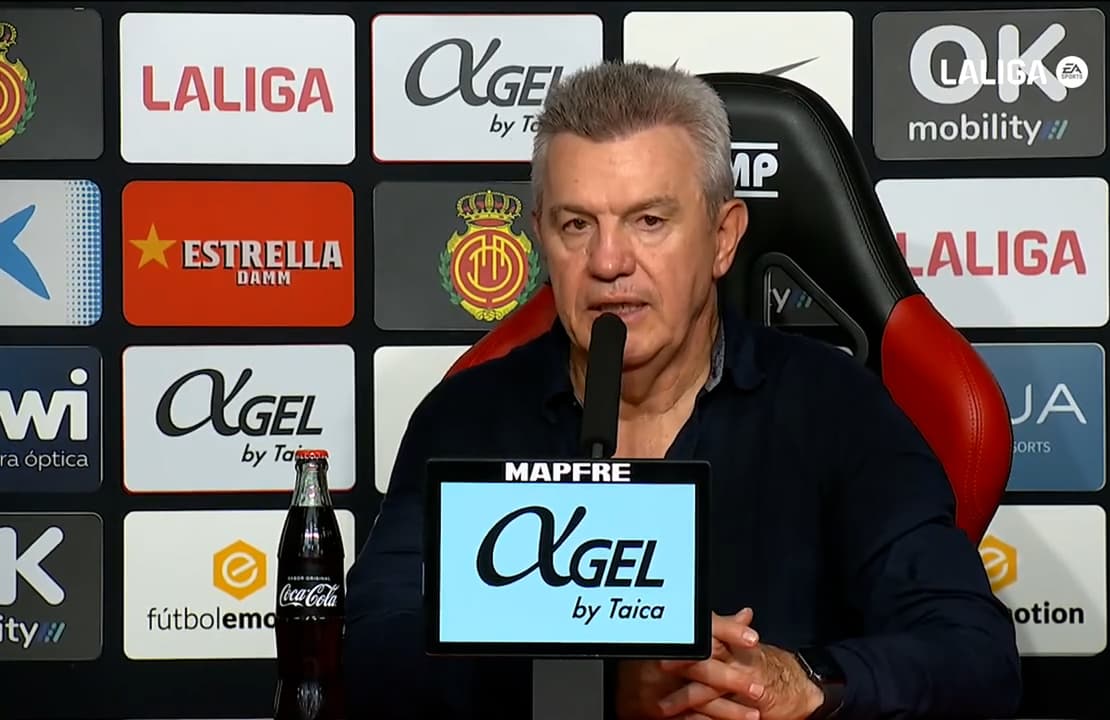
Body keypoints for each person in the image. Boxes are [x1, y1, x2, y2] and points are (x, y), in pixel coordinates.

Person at [343, 61, 1021, 720]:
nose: (609, 262)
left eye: (649, 221)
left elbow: (972, 651)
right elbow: (376, 653)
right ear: (543, 236)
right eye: (577, 224)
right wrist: (600, 687)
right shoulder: (466, 418)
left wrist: (800, 680)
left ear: (723, 238)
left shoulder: (836, 408)